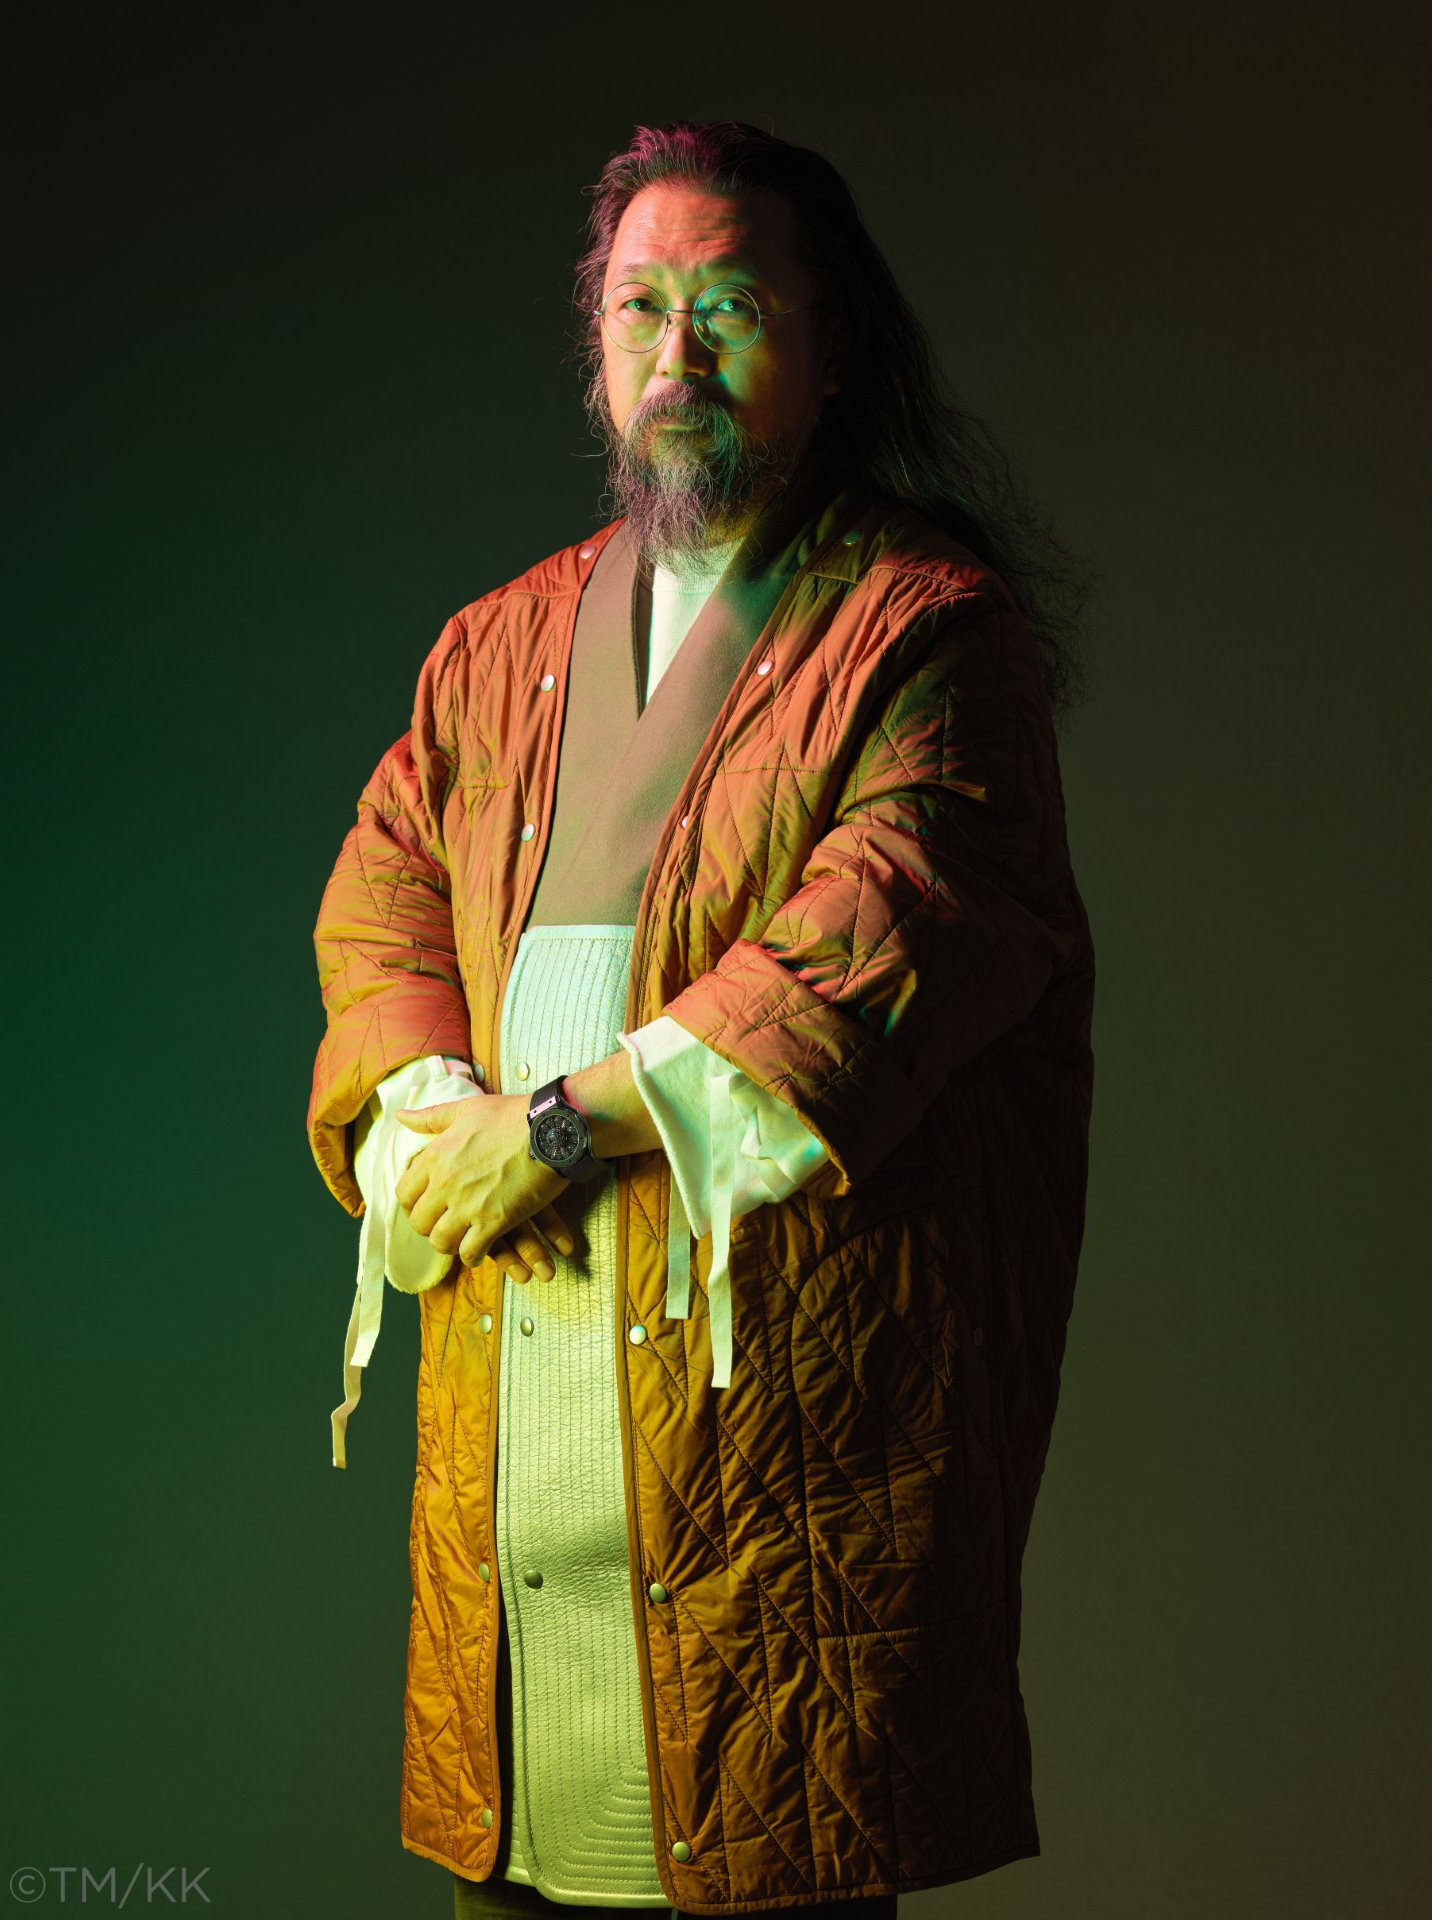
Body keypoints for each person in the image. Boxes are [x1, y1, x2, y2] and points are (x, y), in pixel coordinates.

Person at [307, 119, 1097, 1920]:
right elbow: (383, 887)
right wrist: (434, 1110)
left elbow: (886, 933)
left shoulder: (928, 635)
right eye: (639, 306)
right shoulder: (495, 645)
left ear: (833, 341)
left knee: (762, 1845)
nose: (678, 352)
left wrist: (552, 1128)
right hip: (515, 1474)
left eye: (729, 307)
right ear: (595, 345)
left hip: (768, 1486)